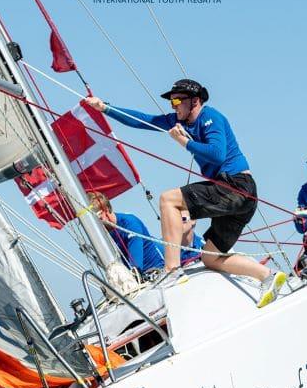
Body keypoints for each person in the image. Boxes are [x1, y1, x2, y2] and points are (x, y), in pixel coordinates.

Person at [83, 79, 286, 307]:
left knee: (168, 199)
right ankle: (267, 276)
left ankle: (172, 270)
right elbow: (144, 121)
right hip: (235, 197)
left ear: (195, 101)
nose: (174, 106)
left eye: (178, 101)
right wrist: (105, 108)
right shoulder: (179, 120)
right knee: (210, 257)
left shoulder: (211, 117)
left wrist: (184, 142)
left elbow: (217, 154)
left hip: (237, 186)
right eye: (172, 102)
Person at [88, 192, 165, 279]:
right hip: (135, 279)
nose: (95, 224)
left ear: (105, 210)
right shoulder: (102, 235)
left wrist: (133, 274)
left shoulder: (130, 223)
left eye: (98, 218)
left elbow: (136, 263)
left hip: (156, 271)